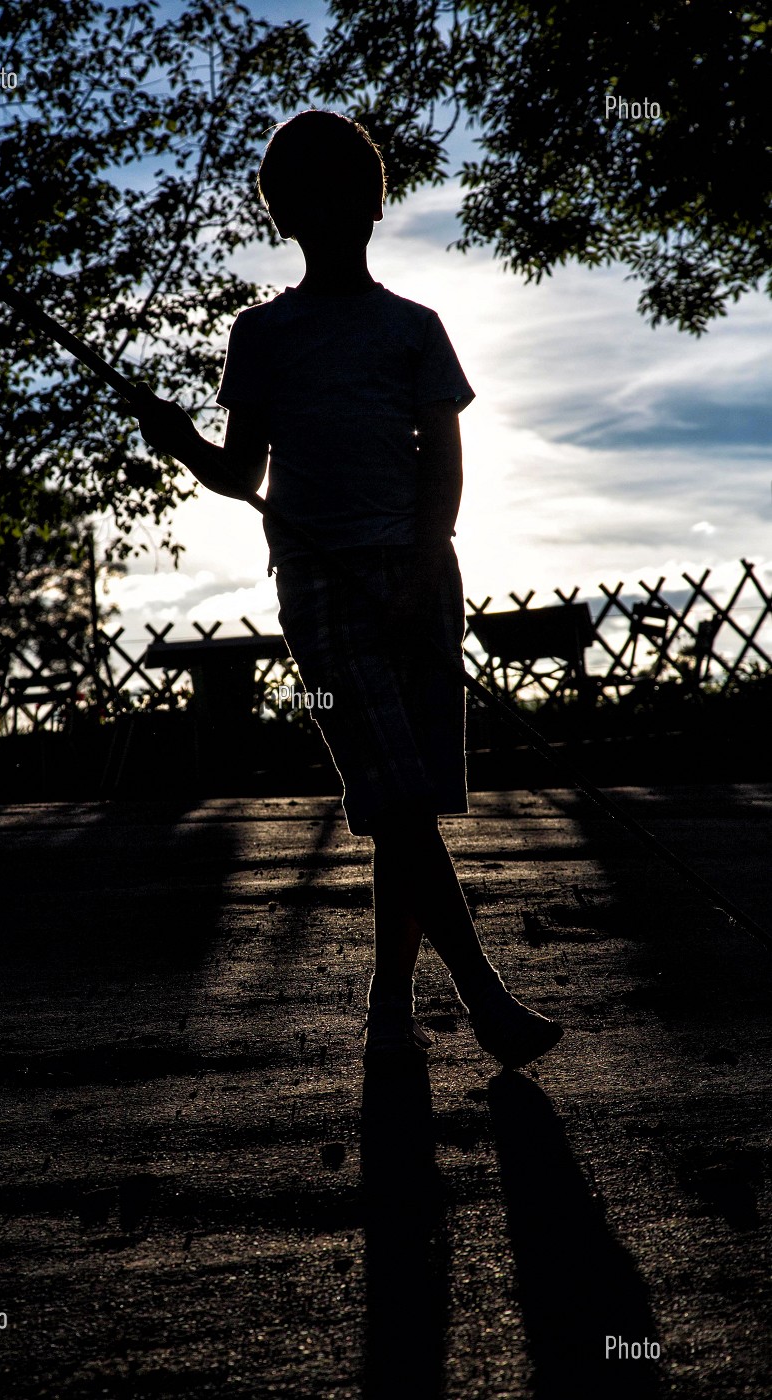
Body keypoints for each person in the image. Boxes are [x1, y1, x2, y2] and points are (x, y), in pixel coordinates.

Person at [134, 110, 563, 1070]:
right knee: (395, 799)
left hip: (421, 579)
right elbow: (240, 474)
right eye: (305, 202)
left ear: (372, 207)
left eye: (343, 198)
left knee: (396, 802)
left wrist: (420, 571)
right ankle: (485, 996)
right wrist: (177, 439)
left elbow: (444, 468)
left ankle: (387, 1007)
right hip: (318, 591)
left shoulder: (415, 331)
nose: (328, 217)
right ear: (283, 216)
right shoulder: (262, 335)